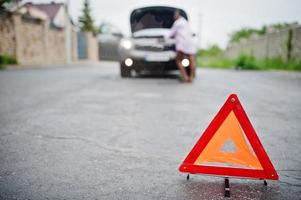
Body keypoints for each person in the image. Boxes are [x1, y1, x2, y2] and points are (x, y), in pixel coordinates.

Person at [165, 10, 197, 83]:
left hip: (182, 44)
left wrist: (164, 37)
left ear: (177, 15)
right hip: (190, 43)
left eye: (175, 15)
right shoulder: (186, 22)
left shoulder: (177, 23)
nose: (174, 17)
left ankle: (185, 77)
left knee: (178, 60)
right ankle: (191, 77)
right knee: (192, 60)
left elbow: (170, 34)